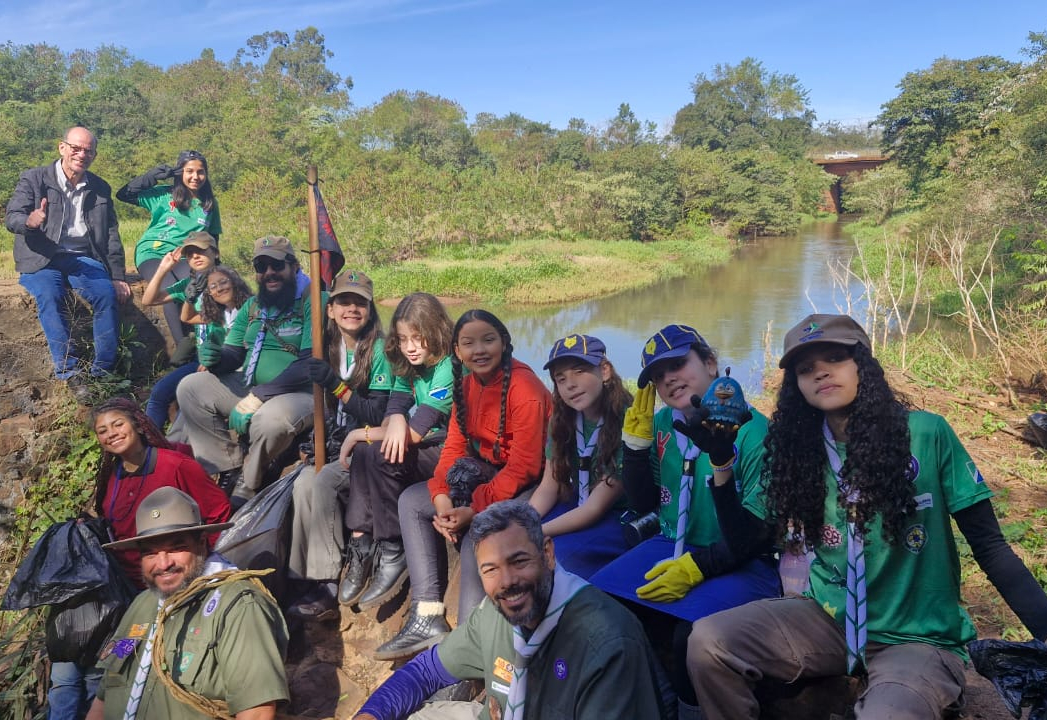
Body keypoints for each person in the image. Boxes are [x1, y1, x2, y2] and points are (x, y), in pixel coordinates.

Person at [688, 314, 1047, 720]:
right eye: (805, 369)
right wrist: (721, 460)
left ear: (863, 364)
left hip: (916, 637)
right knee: (708, 641)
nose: (820, 372)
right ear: (796, 386)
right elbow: (744, 540)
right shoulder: (797, 451)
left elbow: (990, 546)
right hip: (828, 621)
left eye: (835, 358)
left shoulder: (925, 435)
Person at [587, 324, 779, 719]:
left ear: (710, 363)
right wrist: (635, 448)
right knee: (596, 605)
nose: (669, 379)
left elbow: (759, 533)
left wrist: (698, 567)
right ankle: (658, 703)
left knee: (686, 637)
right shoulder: (662, 425)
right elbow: (645, 503)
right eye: (658, 376)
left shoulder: (753, 430)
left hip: (742, 559)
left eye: (677, 364)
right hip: (671, 543)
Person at [352, 500, 668, 720]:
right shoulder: (494, 614)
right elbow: (426, 672)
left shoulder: (608, 642)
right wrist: (371, 714)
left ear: (547, 554)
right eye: (490, 569)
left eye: (518, 561)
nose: (507, 582)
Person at [377, 310, 552, 661]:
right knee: (412, 501)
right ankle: (427, 614)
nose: (479, 350)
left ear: (504, 342)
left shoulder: (525, 389)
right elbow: (454, 448)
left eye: (488, 340)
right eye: (469, 343)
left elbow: (525, 466)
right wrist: (441, 497)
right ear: (457, 351)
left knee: (480, 531)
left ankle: (471, 645)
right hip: (489, 473)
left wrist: (473, 509)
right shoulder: (466, 386)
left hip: (528, 482)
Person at [46, 397, 230, 720]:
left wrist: (192, 560)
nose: (111, 434)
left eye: (118, 424)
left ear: (138, 425)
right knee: (67, 669)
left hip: (162, 589)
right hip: (121, 592)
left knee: (114, 663)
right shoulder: (111, 476)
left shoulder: (176, 465)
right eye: (103, 430)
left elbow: (220, 511)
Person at [86, 486, 289, 720]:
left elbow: (257, 712)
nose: (163, 564)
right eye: (150, 553)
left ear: (202, 543)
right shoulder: (141, 605)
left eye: (176, 548)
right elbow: (105, 696)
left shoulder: (238, 605)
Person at [175, 235, 322, 509]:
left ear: (294, 266)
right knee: (191, 386)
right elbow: (234, 354)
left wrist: (259, 396)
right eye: (261, 267)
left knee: (269, 421)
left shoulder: (312, 301)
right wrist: (216, 357)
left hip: (303, 392)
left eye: (277, 265)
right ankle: (227, 467)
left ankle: (249, 481)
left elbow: (309, 364)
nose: (269, 273)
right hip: (254, 385)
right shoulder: (253, 305)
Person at [337, 293, 455, 612]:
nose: (410, 347)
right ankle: (361, 543)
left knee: (381, 454)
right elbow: (395, 411)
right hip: (433, 440)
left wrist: (358, 433)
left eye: (418, 338)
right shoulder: (409, 364)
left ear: (436, 332)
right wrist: (397, 419)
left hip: (455, 452)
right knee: (367, 453)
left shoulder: (448, 366)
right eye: (403, 339)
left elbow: (415, 433)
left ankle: (393, 548)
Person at [286, 270, 394, 620]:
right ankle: (301, 576)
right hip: (338, 443)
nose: (352, 309)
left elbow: (376, 414)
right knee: (302, 483)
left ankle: (328, 582)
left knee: (323, 482)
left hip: (368, 452)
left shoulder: (380, 350)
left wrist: (335, 385)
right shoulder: (326, 347)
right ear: (330, 309)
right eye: (343, 302)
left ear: (370, 309)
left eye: (359, 303)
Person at [5, 125, 130, 396]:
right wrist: (29, 222)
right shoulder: (34, 179)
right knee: (51, 296)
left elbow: (111, 234)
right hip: (41, 257)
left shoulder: (99, 187)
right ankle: (70, 373)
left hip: (82, 257)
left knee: (106, 294)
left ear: (94, 155)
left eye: (88, 151)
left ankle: (103, 372)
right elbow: (12, 216)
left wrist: (118, 275)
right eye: (76, 148)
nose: (81, 155)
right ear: (62, 147)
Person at [528, 333, 633, 578]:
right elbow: (549, 487)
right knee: (510, 536)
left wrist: (535, 533)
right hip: (578, 502)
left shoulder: (629, 421)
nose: (570, 384)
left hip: (617, 514)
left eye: (579, 371)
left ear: (604, 371)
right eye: (561, 379)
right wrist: (524, 522)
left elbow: (595, 508)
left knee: (555, 555)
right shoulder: (562, 419)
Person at [117, 150, 221, 343]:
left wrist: (214, 265)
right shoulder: (164, 194)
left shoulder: (209, 204)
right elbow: (123, 194)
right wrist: (152, 177)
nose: (195, 177)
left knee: (200, 286)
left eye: (200, 172)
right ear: (180, 173)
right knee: (170, 292)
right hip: (153, 253)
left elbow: (213, 237)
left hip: (186, 256)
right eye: (189, 171)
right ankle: (182, 348)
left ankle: (208, 343)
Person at [142, 231, 221, 430]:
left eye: (201, 251)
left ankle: (159, 443)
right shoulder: (191, 284)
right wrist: (163, 269)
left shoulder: (228, 283)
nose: (195, 256)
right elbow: (148, 300)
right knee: (159, 394)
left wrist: (214, 358)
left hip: (222, 359)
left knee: (177, 401)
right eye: (190, 253)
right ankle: (151, 442)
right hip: (200, 360)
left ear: (215, 253)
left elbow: (234, 325)